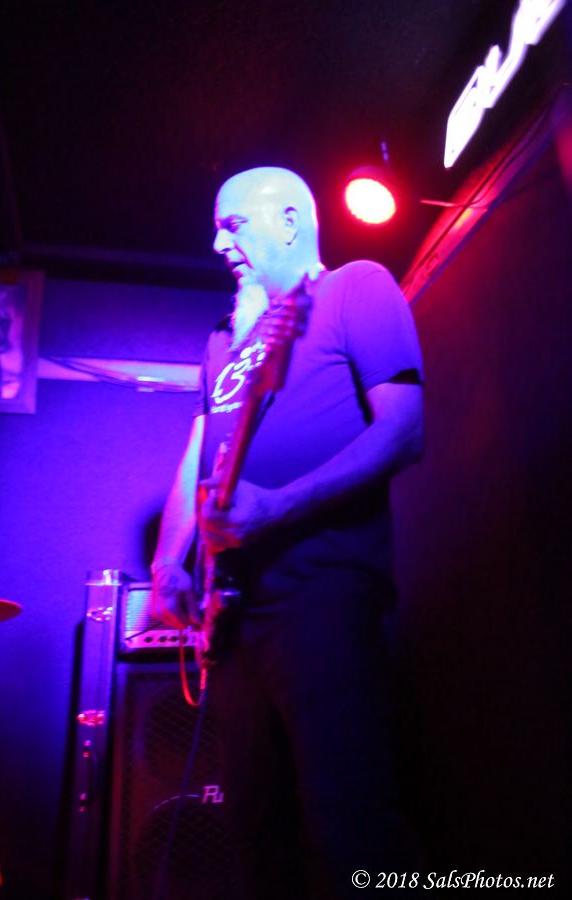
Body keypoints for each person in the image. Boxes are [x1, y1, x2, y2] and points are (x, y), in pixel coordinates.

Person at [151, 167, 424, 899]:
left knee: (350, 826)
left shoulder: (356, 287)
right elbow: (198, 451)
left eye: (233, 224)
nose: (218, 243)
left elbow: (405, 430)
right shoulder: (223, 342)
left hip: (320, 595)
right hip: (232, 619)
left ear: (291, 221)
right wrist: (168, 564)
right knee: (257, 836)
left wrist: (279, 507)